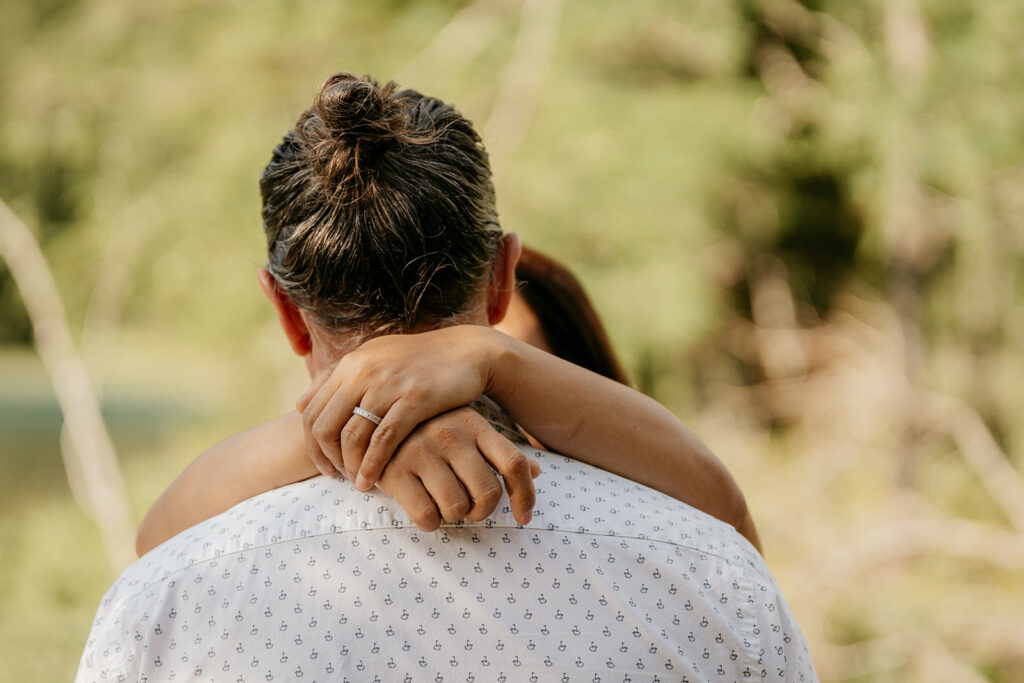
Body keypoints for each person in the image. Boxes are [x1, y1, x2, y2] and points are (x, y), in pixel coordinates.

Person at [76, 72, 815, 682]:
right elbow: (727, 518)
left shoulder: (163, 604)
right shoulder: (714, 576)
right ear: (503, 278)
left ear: (286, 311)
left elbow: (155, 543)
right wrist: (495, 368)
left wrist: (355, 425)